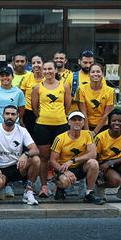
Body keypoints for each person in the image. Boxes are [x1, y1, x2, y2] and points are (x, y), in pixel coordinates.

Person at [31, 59, 71, 198]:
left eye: (50, 69)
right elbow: (35, 108)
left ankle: (59, 185)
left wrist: (59, 117)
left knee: (59, 158)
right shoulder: (37, 88)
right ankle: (43, 186)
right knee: (44, 157)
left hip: (61, 125)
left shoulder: (64, 86)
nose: (47, 72)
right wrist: (44, 117)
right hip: (42, 126)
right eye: (45, 69)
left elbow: (68, 106)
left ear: (55, 70)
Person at [0, 105, 40, 205]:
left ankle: (28, 192)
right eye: (7, 114)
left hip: (17, 167)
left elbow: (35, 149)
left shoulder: (22, 131)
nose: (10, 116)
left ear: (17, 116)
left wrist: (25, 154)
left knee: (36, 159)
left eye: (13, 114)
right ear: (3, 115)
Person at [49, 111, 104, 204]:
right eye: (74, 120)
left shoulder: (88, 134)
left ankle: (89, 193)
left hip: (79, 167)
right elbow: (52, 161)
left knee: (93, 163)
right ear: (69, 122)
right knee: (65, 182)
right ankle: (60, 187)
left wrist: (72, 161)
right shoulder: (60, 138)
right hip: (63, 168)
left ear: (83, 122)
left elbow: (93, 154)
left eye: (80, 120)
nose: (77, 122)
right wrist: (65, 171)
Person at [94, 109, 121, 203]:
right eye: (114, 120)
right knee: (115, 181)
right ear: (109, 122)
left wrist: (111, 162)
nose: (117, 123)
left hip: (119, 163)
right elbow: (94, 157)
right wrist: (98, 173)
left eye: (120, 121)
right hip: (104, 166)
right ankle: (100, 187)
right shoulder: (100, 137)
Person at [78, 62, 115, 136]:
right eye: (92, 72)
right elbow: (83, 113)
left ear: (103, 74)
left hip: (104, 126)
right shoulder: (81, 89)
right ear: (89, 74)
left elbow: (106, 114)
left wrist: (95, 132)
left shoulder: (110, 91)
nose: (95, 74)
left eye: (98, 72)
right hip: (86, 125)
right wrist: (87, 131)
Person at [19, 54, 45, 135]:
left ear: (43, 64)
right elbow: (21, 99)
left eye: (38, 62)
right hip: (28, 113)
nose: (36, 65)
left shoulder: (48, 79)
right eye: (33, 63)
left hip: (44, 112)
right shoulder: (26, 79)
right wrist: (20, 117)